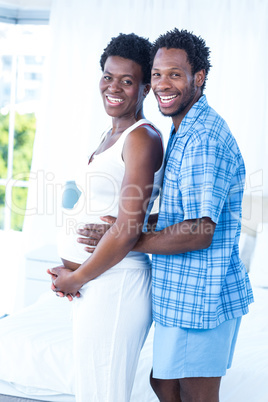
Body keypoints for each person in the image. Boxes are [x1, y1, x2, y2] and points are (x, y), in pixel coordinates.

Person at [77, 28, 254, 402]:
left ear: (198, 77)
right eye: (157, 74)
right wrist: (134, 225)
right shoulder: (182, 128)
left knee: (193, 395)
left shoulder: (202, 137)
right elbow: (183, 214)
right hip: (181, 294)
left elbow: (200, 230)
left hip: (201, 296)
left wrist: (125, 239)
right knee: (164, 384)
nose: (162, 84)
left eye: (174, 73)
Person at [48, 33, 164, 402]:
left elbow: (128, 227)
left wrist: (76, 276)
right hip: (97, 281)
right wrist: (71, 272)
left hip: (116, 285)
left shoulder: (142, 138)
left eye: (127, 81)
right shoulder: (110, 134)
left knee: (103, 394)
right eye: (107, 76)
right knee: (92, 392)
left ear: (145, 88)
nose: (113, 87)